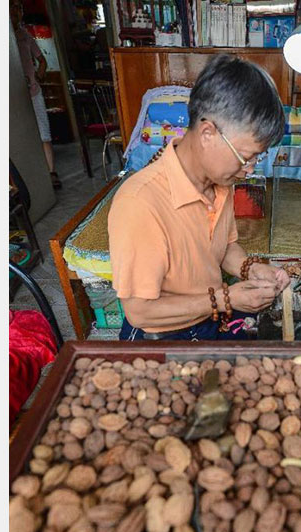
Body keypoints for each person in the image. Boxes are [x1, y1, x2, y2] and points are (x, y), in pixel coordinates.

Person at [108, 54, 290, 341]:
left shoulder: (220, 182)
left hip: (209, 316)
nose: (250, 169)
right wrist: (226, 299)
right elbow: (140, 312)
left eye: (257, 158)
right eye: (246, 157)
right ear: (207, 133)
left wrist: (252, 269)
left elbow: (224, 247)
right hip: (162, 334)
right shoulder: (139, 203)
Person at [11, 0, 62, 189]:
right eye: (12, 7)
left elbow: (42, 61)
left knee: (43, 133)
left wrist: (38, 76)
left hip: (33, 91)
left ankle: (51, 172)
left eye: (18, 8)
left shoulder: (25, 36)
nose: (15, 12)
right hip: (14, 97)